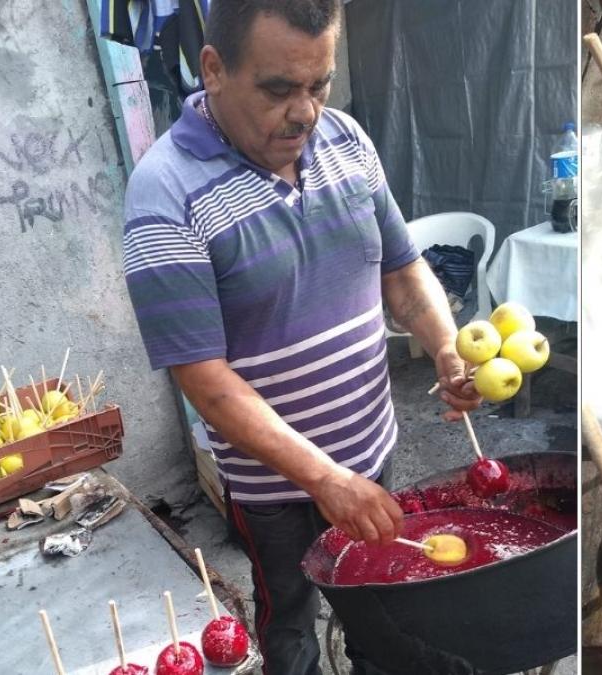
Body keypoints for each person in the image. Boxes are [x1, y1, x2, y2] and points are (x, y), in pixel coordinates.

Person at [120, 1, 480, 672]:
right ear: (214, 67)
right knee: (288, 619)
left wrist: (446, 344)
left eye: (319, 85)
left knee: (380, 601)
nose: (305, 112)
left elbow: (402, 270)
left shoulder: (346, 141)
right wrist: (323, 477)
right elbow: (203, 378)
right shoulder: (164, 196)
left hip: (371, 456)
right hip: (275, 491)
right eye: (279, 89)